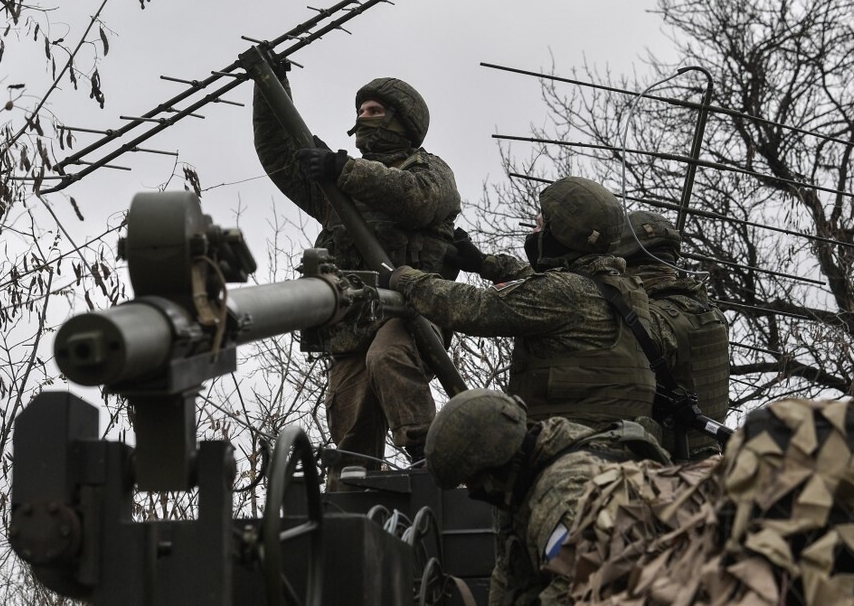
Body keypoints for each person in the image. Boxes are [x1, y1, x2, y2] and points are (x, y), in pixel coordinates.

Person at [252, 74, 461, 482]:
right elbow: (279, 157)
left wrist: (344, 169)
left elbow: (416, 199)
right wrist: (269, 87)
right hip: (353, 321)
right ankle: (351, 493)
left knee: (388, 355)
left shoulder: (429, 169)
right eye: (360, 111)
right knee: (350, 423)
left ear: (402, 121)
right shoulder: (338, 186)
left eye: (375, 111)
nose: (363, 118)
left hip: (412, 312)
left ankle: (427, 458)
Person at [389, 176, 658, 433]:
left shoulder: (563, 293)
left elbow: (474, 307)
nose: (534, 233)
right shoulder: (628, 291)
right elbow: (558, 285)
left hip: (571, 444)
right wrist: (486, 264)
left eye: (540, 226)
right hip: (624, 442)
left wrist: (405, 278)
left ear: (561, 236)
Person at [425, 388, 669, 605]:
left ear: (493, 466)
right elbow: (508, 576)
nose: (471, 491)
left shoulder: (560, 497)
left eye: (471, 481)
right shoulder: (541, 459)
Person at [612, 210, 731, 459]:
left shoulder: (653, 321)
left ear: (625, 262)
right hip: (709, 460)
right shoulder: (712, 313)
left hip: (665, 468)